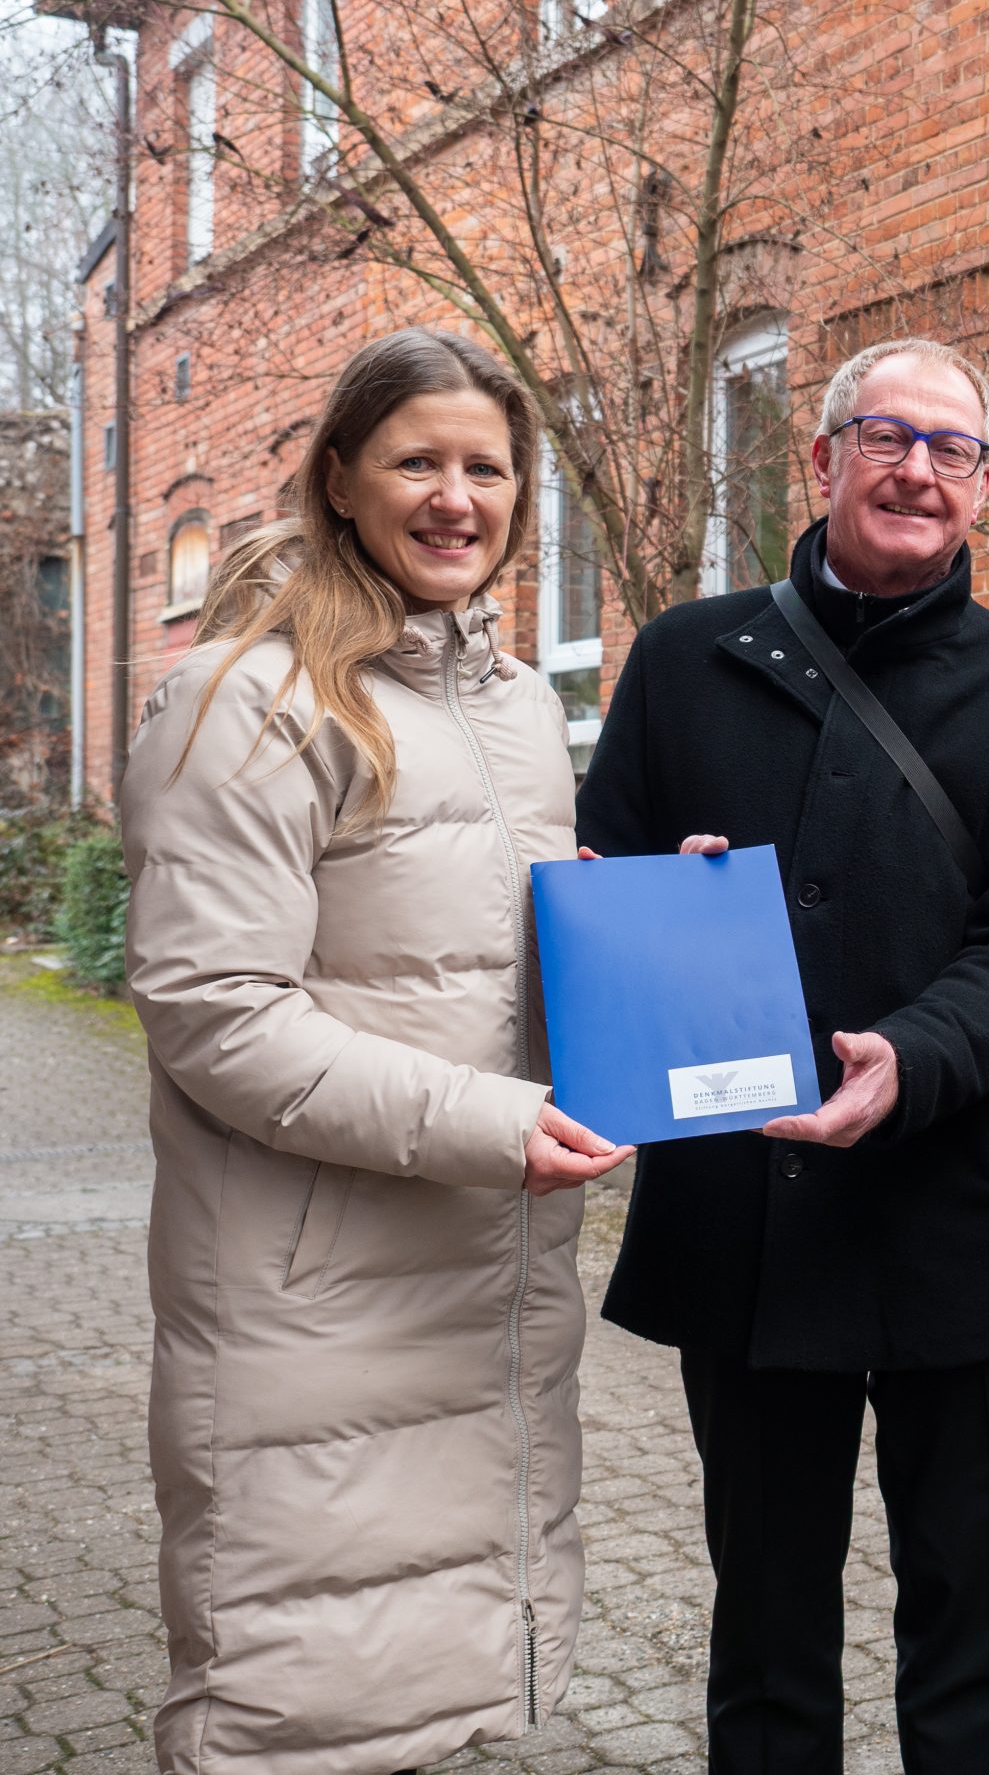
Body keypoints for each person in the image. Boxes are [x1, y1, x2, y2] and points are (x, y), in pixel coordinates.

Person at [575, 336, 989, 1773]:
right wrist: (650, 903)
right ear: (820, 460)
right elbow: (595, 873)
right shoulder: (682, 659)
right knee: (762, 1622)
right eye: (888, 435)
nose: (918, 470)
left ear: (983, 489)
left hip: (950, 1208)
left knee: (965, 1621)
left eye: (954, 449)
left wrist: (915, 1056)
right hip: (743, 1216)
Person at [120, 327, 633, 1775]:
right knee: (299, 1703)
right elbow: (219, 1014)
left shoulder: (518, 707)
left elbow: (454, 946)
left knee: (445, 1691)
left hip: (484, 1283)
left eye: (488, 467)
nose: (455, 496)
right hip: (317, 1304)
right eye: (418, 461)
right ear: (341, 478)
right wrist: (492, 1125)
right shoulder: (244, 698)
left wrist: (643, 925)